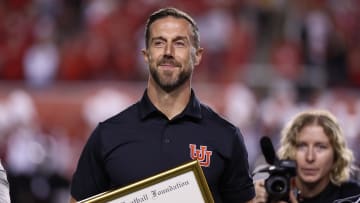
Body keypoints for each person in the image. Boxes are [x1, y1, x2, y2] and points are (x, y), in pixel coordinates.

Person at [70, 7, 255, 203]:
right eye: (159, 43)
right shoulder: (107, 135)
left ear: (197, 55)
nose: (168, 52)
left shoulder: (226, 136)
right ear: (146, 55)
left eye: (179, 43)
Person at [254, 109, 360, 203]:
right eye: (302, 146)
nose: (310, 157)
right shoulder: (272, 187)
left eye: (320, 147)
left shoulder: (353, 195)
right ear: (290, 151)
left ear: (336, 154)